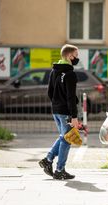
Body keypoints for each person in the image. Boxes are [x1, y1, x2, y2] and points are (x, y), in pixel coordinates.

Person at [39, 44, 80, 180]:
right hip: (66, 112)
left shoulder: (54, 71)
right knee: (67, 140)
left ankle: (48, 159)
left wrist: (56, 104)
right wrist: (74, 116)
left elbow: (49, 92)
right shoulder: (70, 74)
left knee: (64, 137)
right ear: (69, 56)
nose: (77, 58)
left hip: (56, 110)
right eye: (76, 55)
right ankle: (59, 170)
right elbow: (70, 97)